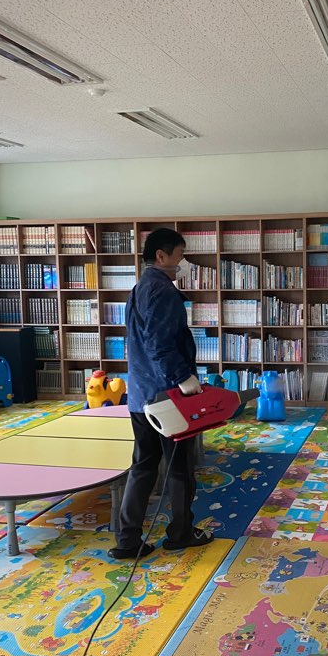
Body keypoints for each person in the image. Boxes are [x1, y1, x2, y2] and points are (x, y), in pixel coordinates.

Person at [108, 227, 214, 560]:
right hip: (167, 398)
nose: (183, 261)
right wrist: (183, 379)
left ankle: (127, 540)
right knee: (179, 467)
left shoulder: (139, 289)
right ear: (161, 256)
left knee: (143, 466)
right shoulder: (163, 291)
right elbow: (160, 344)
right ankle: (180, 533)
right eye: (180, 254)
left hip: (140, 395)